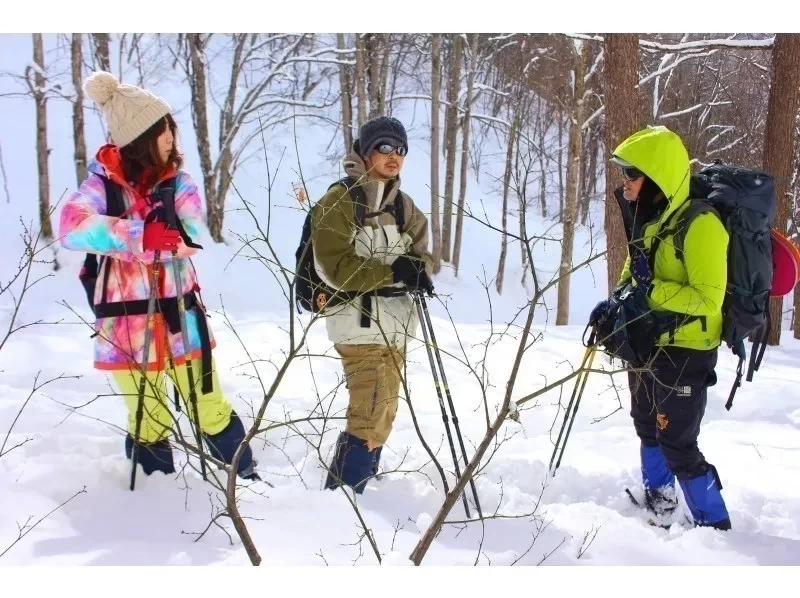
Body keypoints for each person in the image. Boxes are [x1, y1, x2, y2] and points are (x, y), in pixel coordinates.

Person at [59, 71, 257, 481]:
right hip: (126, 325)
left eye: (173, 129)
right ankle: (157, 501)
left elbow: (191, 235)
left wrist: (162, 234)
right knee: (149, 418)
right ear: (143, 135)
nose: (172, 138)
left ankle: (246, 479)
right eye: (165, 130)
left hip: (182, 318)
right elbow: (71, 226)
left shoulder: (178, 184)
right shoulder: (103, 185)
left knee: (209, 406)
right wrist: (136, 233)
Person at [590, 126, 731, 530]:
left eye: (631, 175)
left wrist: (651, 292)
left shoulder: (702, 225)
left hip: (687, 349)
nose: (625, 183)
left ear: (656, 178)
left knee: (678, 443)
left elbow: (708, 299)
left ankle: (715, 526)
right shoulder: (651, 220)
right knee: (646, 422)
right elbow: (632, 273)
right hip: (650, 340)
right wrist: (615, 304)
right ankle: (661, 500)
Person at [311, 116, 434, 493]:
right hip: (356, 323)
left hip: (396, 327)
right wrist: (394, 270)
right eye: (384, 147)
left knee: (384, 411)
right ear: (365, 153)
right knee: (370, 407)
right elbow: (334, 268)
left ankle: (359, 487)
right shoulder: (342, 199)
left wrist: (418, 271)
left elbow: (426, 258)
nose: (393, 156)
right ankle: (345, 497)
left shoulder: (404, 206)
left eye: (400, 150)